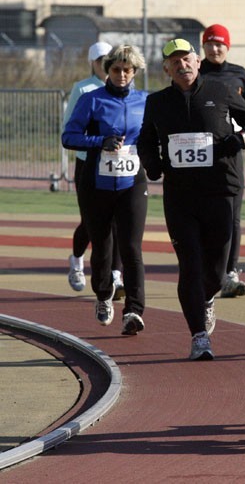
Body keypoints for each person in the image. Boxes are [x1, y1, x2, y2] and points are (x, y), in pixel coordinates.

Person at [138, 38, 245, 360]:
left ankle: (208, 298)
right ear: (166, 68)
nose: (183, 66)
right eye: (175, 62)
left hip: (220, 190)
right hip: (181, 197)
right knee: (190, 267)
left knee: (216, 273)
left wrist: (241, 139)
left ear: (197, 61)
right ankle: (198, 337)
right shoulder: (158, 102)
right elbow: (145, 141)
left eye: (187, 59)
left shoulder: (220, 92)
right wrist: (153, 165)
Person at [61, 44, 149, 336]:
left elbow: (157, 136)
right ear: (107, 71)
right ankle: (102, 295)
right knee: (102, 246)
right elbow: (69, 136)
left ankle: (134, 310)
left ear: (135, 72)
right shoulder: (92, 100)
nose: (122, 75)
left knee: (132, 248)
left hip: (132, 183)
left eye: (127, 70)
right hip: (96, 184)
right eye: (116, 70)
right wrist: (100, 141)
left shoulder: (146, 101)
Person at [63, 41, 124, 297]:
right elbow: (70, 128)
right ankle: (77, 259)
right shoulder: (83, 89)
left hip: (118, 164)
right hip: (89, 163)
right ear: (92, 63)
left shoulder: (122, 86)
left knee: (118, 221)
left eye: (107, 59)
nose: (104, 64)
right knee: (91, 222)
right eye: (99, 60)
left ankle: (116, 276)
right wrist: (97, 142)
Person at [199, 23, 245, 299]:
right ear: (203, 46)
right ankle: (207, 269)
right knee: (202, 213)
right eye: (210, 43)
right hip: (198, 153)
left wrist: (243, 136)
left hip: (229, 153)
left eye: (220, 43)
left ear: (228, 46)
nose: (215, 48)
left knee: (233, 215)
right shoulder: (194, 72)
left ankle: (231, 271)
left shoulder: (239, 74)